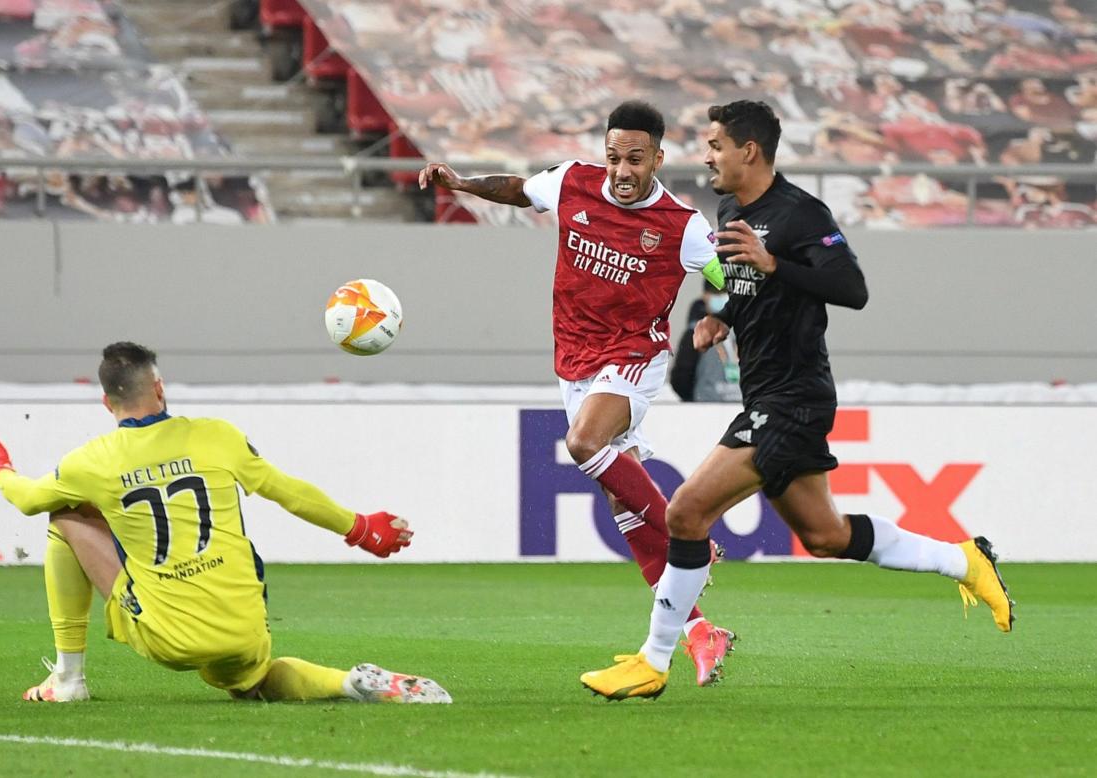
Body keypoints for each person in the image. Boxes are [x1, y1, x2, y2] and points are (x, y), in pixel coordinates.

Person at [580, 100, 1013, 701]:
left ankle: (653, 662)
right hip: (769, 394)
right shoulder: (730, 208)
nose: (705, 155)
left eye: (714, 145)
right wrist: (723, 318)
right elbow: (752, 287)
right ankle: (965, 560)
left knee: (684, 514)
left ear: (747, 151)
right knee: (826, 536)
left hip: (793, 398)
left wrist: (775, 262)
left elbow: (852, 289)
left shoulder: (800, 215)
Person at [419, 100, 735, 686]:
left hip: (634, 357)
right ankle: (697, 631)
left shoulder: (682, 226)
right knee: (622, 504)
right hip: (575, 360)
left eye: (635, 160)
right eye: (614, 157)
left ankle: (686, 534)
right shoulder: (572, 182)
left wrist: (725, 318)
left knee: (584, 441)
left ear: (658, 159)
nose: (621, 170)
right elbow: (519, 190)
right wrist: (461, 183)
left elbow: (728, 278)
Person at [0, 342, 450, 705]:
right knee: (254, 682)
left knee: (64, 512)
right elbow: (289, 492)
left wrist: (0, 470)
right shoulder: (217, 436)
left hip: (167, 637)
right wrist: (359, 527)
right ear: (160, 389)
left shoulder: (94, 461)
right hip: (243, 622)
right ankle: (347, 681)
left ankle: (68, 680)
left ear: (107, 404)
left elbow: (26, 499)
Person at [669, 280, 741, 403]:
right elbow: (682, 377)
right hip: (705, 409)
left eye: (724, 293)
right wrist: (695, 403)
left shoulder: (747, 328)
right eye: (715, 294)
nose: (720, 298)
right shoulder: (694, 332)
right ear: (705, 296)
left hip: (743, 406)